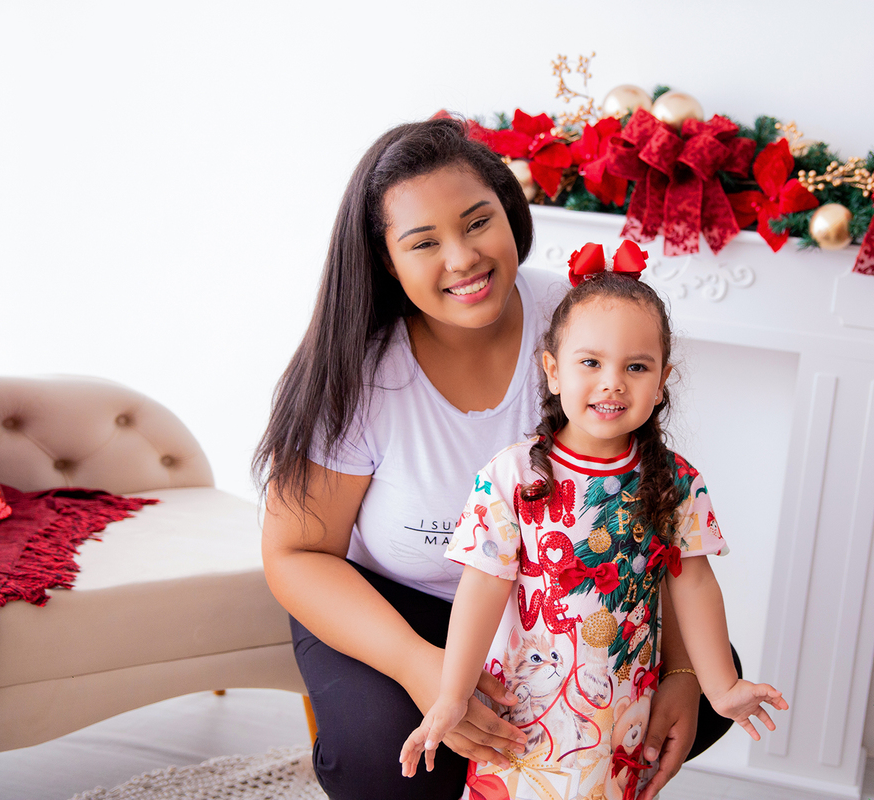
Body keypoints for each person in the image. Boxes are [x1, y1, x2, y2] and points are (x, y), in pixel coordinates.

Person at [255, 118, 736, 800]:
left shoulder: (577, 320)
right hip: (401, 606)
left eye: (478, 222)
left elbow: (648, 502)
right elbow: (295, 554)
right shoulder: (357, 370)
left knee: (711, 691)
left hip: (556, 605)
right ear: (386, 260)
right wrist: (422, 665)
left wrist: (684, 674)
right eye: (424, 242)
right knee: (392, 761)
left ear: (511, 214)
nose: (462, 258)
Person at [398, 243, 788, 800]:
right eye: (591, 363)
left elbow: (695, 583)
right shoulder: (511, 477)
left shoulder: (677, 482)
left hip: (621, 706)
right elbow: (482, 587)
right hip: (525, 705)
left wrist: (722, 689)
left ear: (661, 382)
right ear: (553, 371)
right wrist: (453, 694)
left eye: (636, 367)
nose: (613, 382)